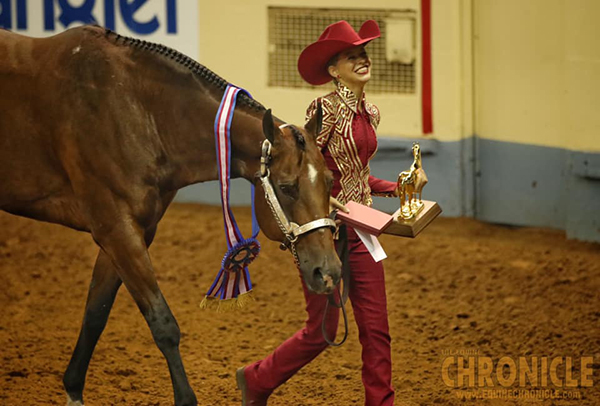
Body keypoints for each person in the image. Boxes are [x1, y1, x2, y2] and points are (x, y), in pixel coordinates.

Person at [236, 20, 398, 406]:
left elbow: (357, 174)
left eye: (363, 54)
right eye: (351, 56)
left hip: (362, 230)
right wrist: (330, 206)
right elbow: (312, 172)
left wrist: (398, 187)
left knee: (376, 328)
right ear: (333, 69)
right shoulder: (321, 110)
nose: (362, 60)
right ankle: (257, 379)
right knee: (322, 330)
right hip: (322, 231)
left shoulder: (370, 112)